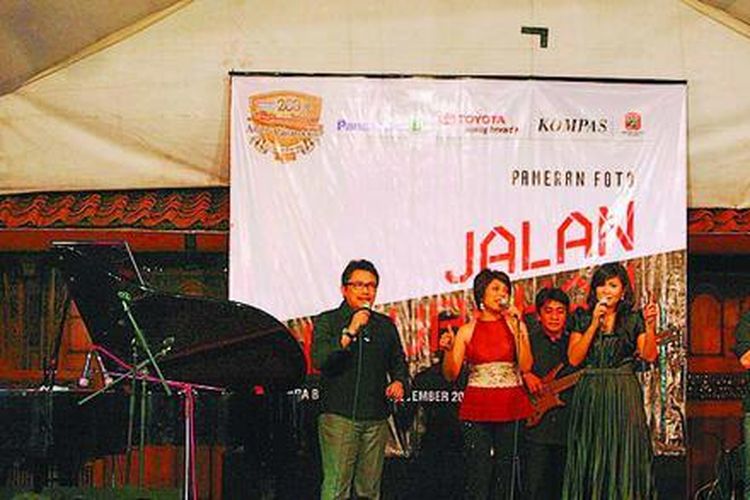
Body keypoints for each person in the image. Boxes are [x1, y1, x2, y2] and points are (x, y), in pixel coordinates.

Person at [311, 259, 408, 500]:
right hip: (339, 416)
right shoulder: (328, 320)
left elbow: (399, 362)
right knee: (336, 489)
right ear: (344, 289)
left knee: (369, 490)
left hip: (375, 417)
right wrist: (351, 330)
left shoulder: (384, 326)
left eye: (371, 286)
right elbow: (320, 359)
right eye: (359, 285)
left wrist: (398, 381)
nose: (366, 291)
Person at [562, 262, 658, 499]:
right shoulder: (582, 317)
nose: (606, 290)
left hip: (622, 391)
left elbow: (649, 356)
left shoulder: (633, 319)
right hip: (592, 393)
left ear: (623, 290)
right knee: (592, 452)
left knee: (623, 452)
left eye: (613, 285)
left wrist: (650, 326)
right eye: (601, 285)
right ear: (594, 290)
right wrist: (594, 324)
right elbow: (574, 358)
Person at [443, 268, 534, 500]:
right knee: (479, 469)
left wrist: (517, 327)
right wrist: (448, 351)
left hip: (510, 403)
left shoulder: (516, 325)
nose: (501, 294)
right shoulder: (467, 331)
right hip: (478, 405)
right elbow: (451, 375)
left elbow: (525, 366)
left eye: (505, 290)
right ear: (481, 294)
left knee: (506, 469)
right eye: (495, 289)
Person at [521, 287, 578, 500]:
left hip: (567, 430)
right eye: (548, 311)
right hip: (536, 431)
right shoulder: (528, 343)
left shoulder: (575, 344)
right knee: (534, 490)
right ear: (539, 315)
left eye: (560, 311)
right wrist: (525, 374)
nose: (554, 317)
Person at [410, 311, 466, 499]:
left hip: (464, 449)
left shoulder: (472, 377)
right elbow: (406, 418)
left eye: (453, 333)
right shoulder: (423, 378)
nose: (448, 338)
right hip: (434, 449)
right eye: (443, 333)